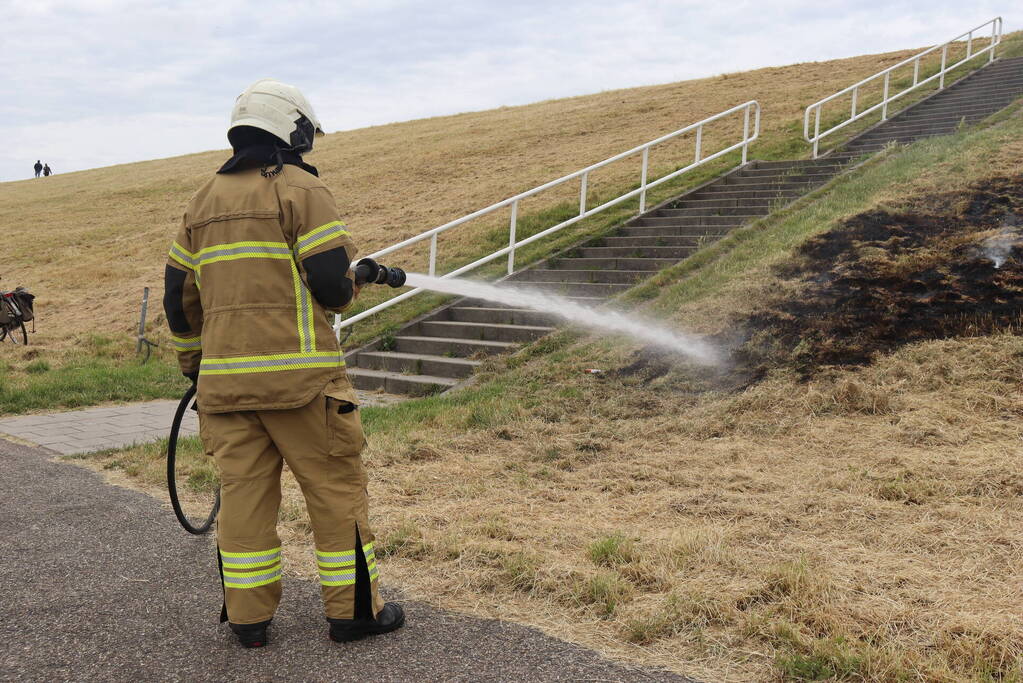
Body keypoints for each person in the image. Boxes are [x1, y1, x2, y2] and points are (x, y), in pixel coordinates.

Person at [162, 78, 404, 649]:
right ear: (292, 128)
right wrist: (358, 275)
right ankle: (353, 613)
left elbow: (177, 298)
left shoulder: (201, 201)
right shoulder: (299, 189)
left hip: (225, 392)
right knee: (334, 491)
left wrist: (195, 366)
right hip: (303, 386)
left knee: (244, 499)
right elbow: (332, 288)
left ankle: (247, 622)